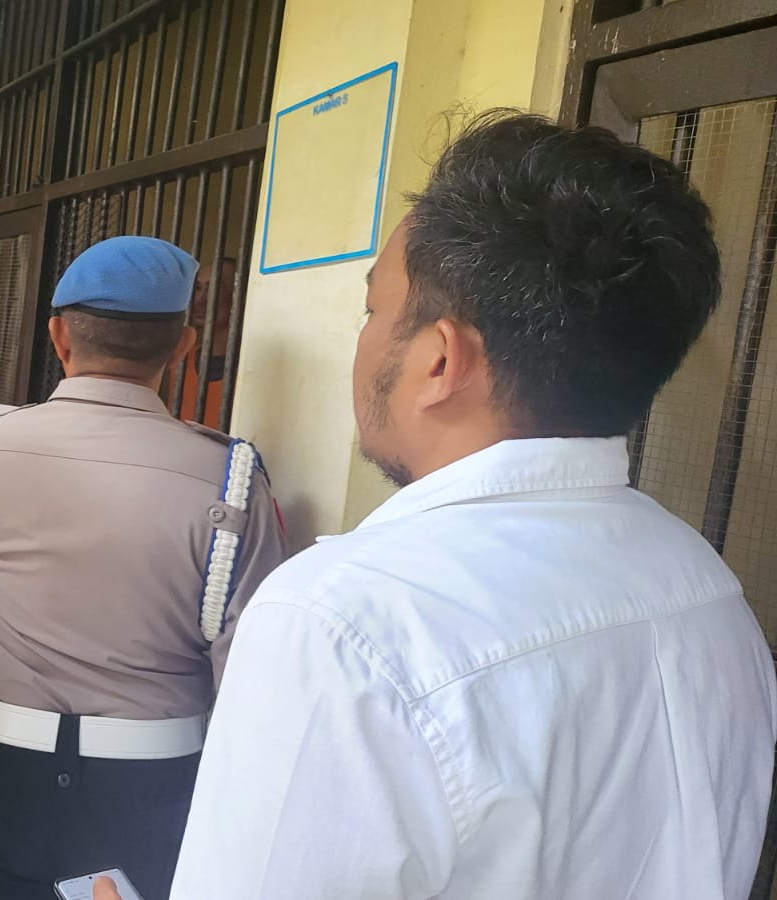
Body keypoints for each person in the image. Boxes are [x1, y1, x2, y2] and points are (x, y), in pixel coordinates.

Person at [150, 111, 776, 897]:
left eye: (373, 311)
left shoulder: (343, 622)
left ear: (441, 361)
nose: (364, 339)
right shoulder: (710, 594)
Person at [0, 236, 289, 900]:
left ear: (59, 337)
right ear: (183, 347)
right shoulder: (231, 479)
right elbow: (247, 672)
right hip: (146, 788)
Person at [163, 257, 236, 427]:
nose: (199, 300)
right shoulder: (178, 360)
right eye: (197, 288)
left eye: (214, 289)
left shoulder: (250, 372)